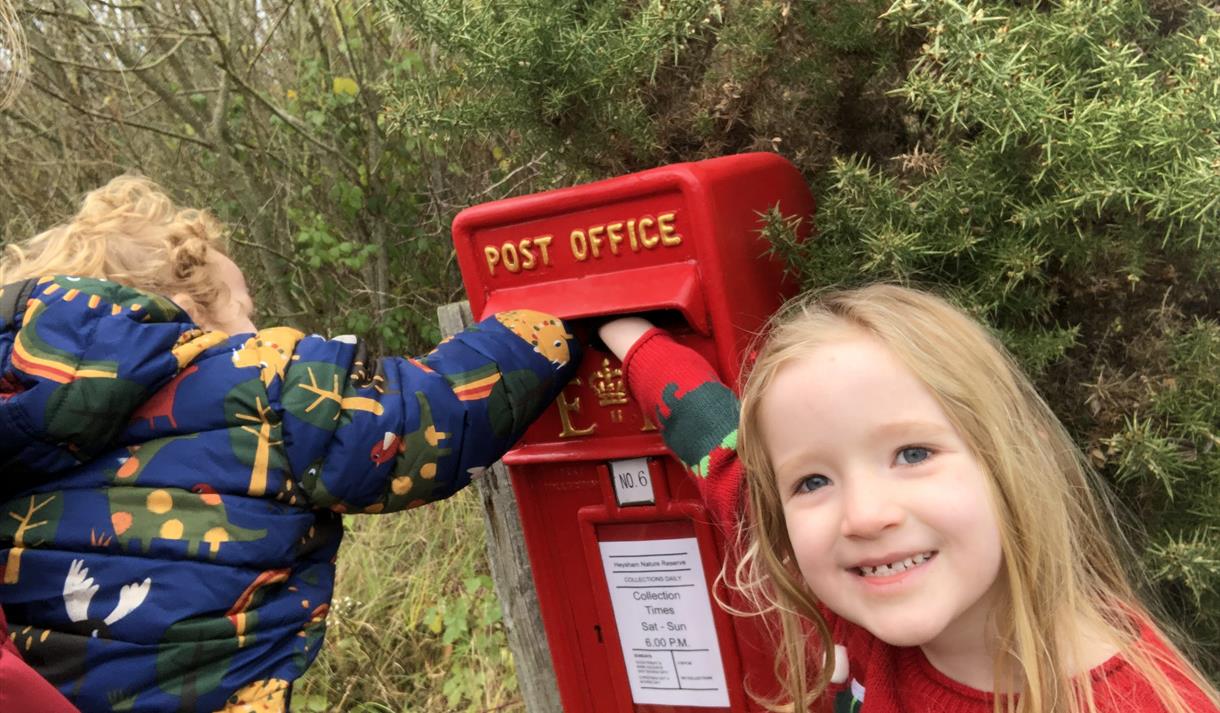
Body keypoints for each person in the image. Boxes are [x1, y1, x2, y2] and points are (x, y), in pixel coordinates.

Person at [0, 175, 581, 712]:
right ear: (182, 310)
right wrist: (544, 328)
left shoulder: (19, 426)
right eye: (243, 313)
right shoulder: (255, 384)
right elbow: (418, 421)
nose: (256, 331)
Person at [598, 285, 1219, 713]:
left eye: (914, 454)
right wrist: (621, 332)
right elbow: (716, 446)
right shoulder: (842, 592)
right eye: (812, 481)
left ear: (1017, 462)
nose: (864, 517)